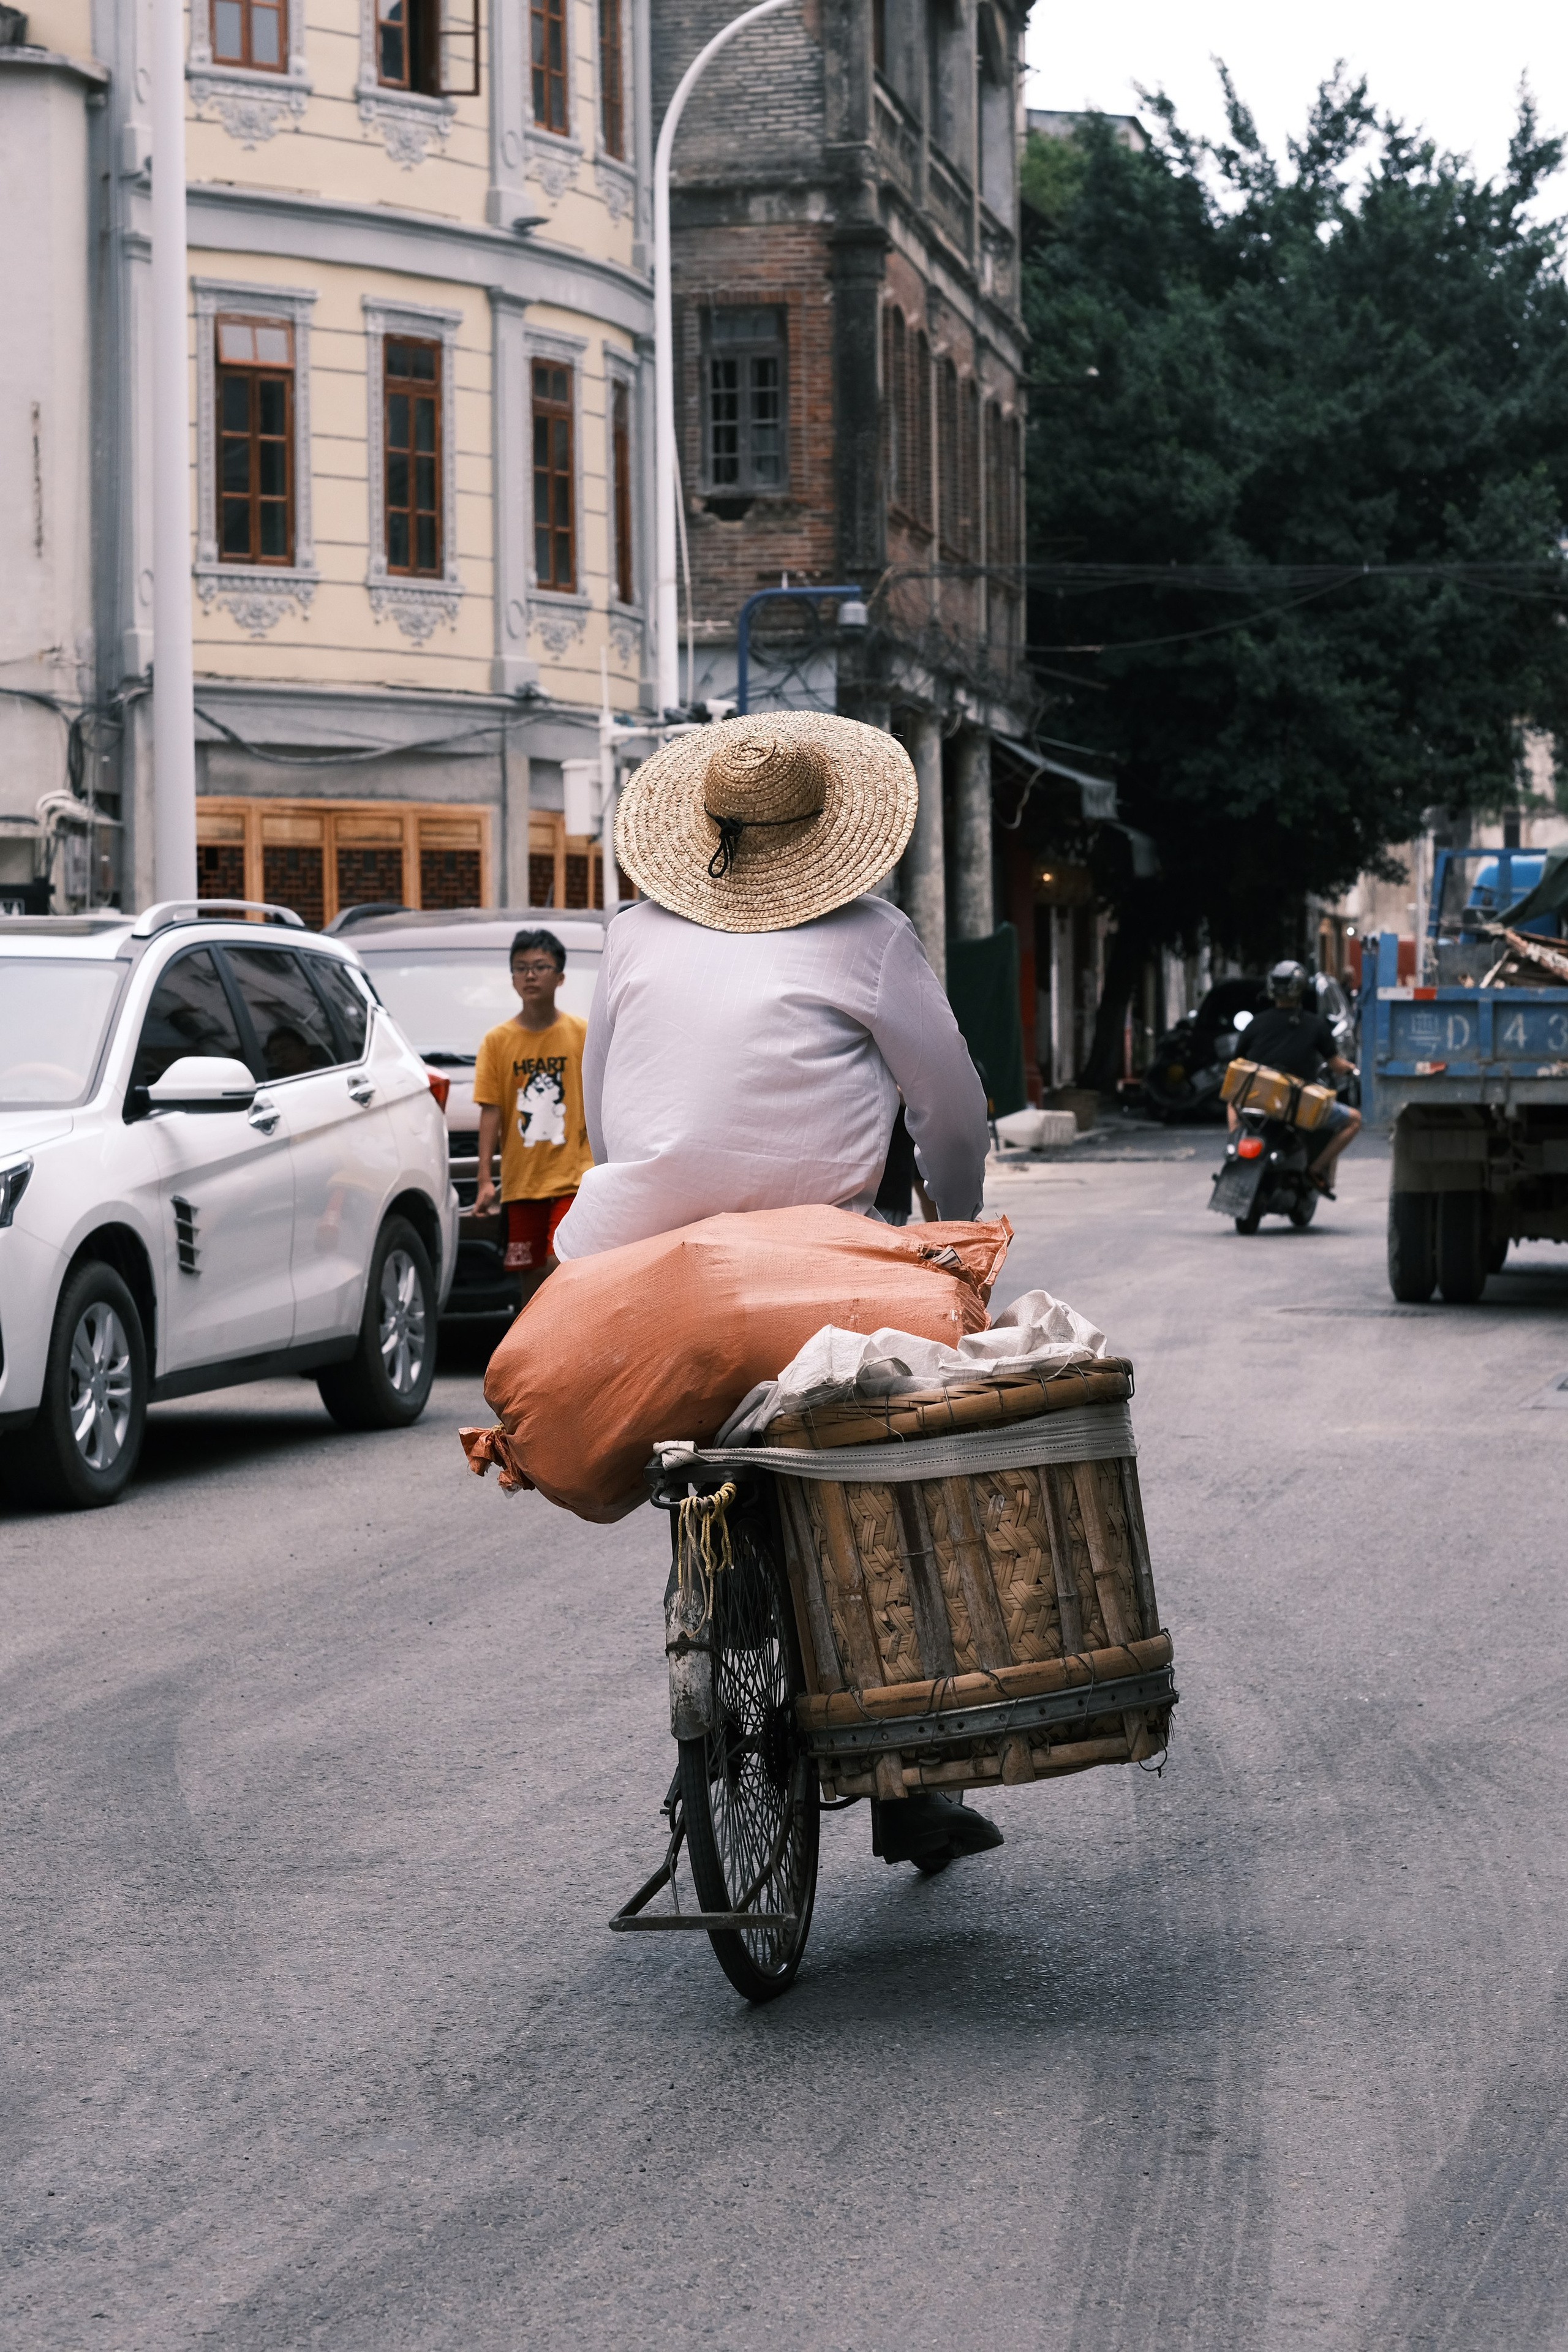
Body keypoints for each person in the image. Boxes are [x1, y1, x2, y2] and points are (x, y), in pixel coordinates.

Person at [554, 709, 1000, 1874]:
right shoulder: (871, 937)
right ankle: (914, 1782)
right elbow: (951, 1114)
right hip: (819, 1268)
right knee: (906, 1485)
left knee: (696, 1465)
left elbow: (604, 1109)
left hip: (637, 1264)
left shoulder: (632, 935)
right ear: (827, 836)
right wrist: (949, 1230)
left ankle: (711, 1641)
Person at [473, 929, 592, 1285]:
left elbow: (603, 1096)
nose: (530, 975)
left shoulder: (582, 1034)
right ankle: (534, 1327)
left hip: (574, 1176)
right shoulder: (497, 1042)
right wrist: (484, 1179)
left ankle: (570, 1325)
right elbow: (491, 1110)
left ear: (560, 977)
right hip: (522, 1181)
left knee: (561, 1261)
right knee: (529, 1277)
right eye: (521, 968)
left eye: (540, 967)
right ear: (512, 978)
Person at [1232, 959, 1360, 1193]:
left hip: (1257, 1097)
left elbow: (1237, 1063)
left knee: (1233, 1097)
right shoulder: (1315, 1025)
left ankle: (1234, 1141)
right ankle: (1316, 1170)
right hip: (1298, 1102)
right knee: (1354, 1120)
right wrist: (1351, 1068)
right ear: (1301, 988)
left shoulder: (1255, 1024)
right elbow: (1336, 1065)